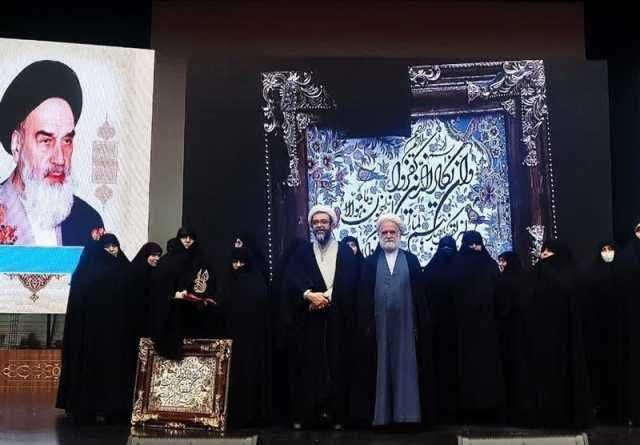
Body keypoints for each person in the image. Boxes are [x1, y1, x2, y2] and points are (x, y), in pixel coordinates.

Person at [0, 60, 103, 245]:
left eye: (67, 140)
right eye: (46, 141)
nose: (60, 159)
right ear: (17, 144)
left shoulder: (88, 222)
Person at [350, 213, 435, 427]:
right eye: (385, 232)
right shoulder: (370, 263)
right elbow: (363, 299)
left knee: (406, 368)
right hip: (378, 329)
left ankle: (408, 417)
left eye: (392, 232)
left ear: (399, 234)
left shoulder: (412, 260)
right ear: (379, 235)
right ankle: (383, 418)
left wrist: (421, 326)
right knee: (381, 369)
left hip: (407, 327)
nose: (388, 235)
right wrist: (366, 327)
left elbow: (420, 297)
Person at [284, 205, 358, 429]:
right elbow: (292, 281)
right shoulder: (303, 252)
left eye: (324, 222)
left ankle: (336, 416)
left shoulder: (345, 252)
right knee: (310, 368)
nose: (319, 226)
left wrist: (328, 297)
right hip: (310, 321)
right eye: (315, 222)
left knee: (336, 366)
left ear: (332, 224)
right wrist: (308, 295)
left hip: (337, 320)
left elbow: (352, 280)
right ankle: (309, 415)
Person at [511, 240, 592, 427]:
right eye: (544, 251)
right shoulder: (535, 276)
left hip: (561, 340)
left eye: (550, 251)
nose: (545, 255)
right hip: (542, 341)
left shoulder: (570, 276)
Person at [56, 232, 131, 423]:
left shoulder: (125, 269)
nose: (112, 249)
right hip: (91, 334)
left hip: (117, 334)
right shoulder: (87, 273)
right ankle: (87, 407)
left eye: (115, 245)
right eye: (108, 246)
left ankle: (114, 408)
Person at [450, 231, 505, 424]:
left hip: (469, 330)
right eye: (470, 245)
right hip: (482, 329)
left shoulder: (457, 265)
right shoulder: (489, 265)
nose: (473, 248)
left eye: (476, 244)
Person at [150, 226, 218, 360]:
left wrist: (200, 297)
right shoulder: (168, 260)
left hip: (195, 310)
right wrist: (174, 293)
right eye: (184, 237)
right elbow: (160, 285)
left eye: (191, 238)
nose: (187, 240)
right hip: (173, 309)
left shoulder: (202, 259)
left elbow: (207, 282)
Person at [221, 244, 270, 427]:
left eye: (242, 262)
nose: (238, 265)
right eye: (235, 262)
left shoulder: (256, 283)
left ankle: (252, 415)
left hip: (252, 340)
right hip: (232, 339)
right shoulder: (227, 282)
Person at [580, 241, 624, 424]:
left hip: (621, 332)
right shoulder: (592, 275)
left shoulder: (622, 273)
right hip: (599, 334)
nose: (607, 253)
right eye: (604, 250)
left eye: (610, 249)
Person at [422, 235, 458, 425]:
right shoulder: (461, 268)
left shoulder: (430, 270)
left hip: (436, 331)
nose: (446, 252)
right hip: (455, 332)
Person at [495, 250, 524, 422]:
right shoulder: (521, 279)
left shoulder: (506, 281)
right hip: (513, 332)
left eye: (504, 261)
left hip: (512, 331)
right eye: (500, 261)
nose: (502, 264)